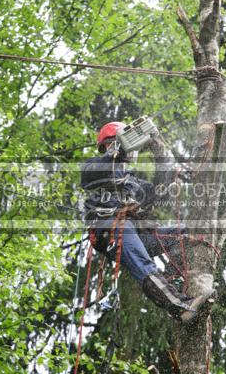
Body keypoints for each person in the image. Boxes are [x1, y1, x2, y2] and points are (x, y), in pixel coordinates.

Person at [80, 120, 195, 318]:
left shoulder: (133, 183)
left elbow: (161, 190)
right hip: (111, 227)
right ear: (110, 144)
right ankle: (178, 306)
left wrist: (159, 150)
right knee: (143, 264)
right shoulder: (93, 167)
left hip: (140, 235)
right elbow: (96, 170)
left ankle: (176, 279)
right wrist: (121, 147)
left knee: (187, 233)